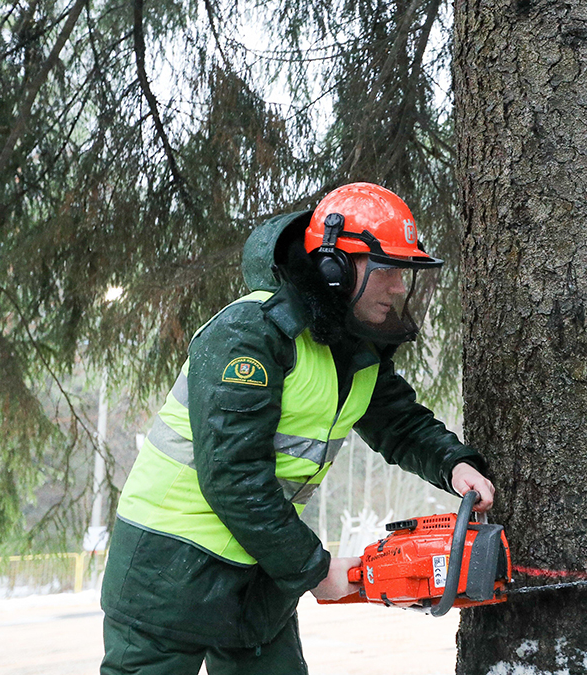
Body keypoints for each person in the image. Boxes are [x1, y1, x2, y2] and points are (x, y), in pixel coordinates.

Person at [100, 183, 494, 674]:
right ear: (335, 267)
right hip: (168, 570)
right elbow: (233, 477)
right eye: (389, 270)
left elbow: (400, 423)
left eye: (403, 273)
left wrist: (453, 463)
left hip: (261, 572)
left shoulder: (354, 349)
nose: (398, 288)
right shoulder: (250, 335)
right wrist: (313, 568)